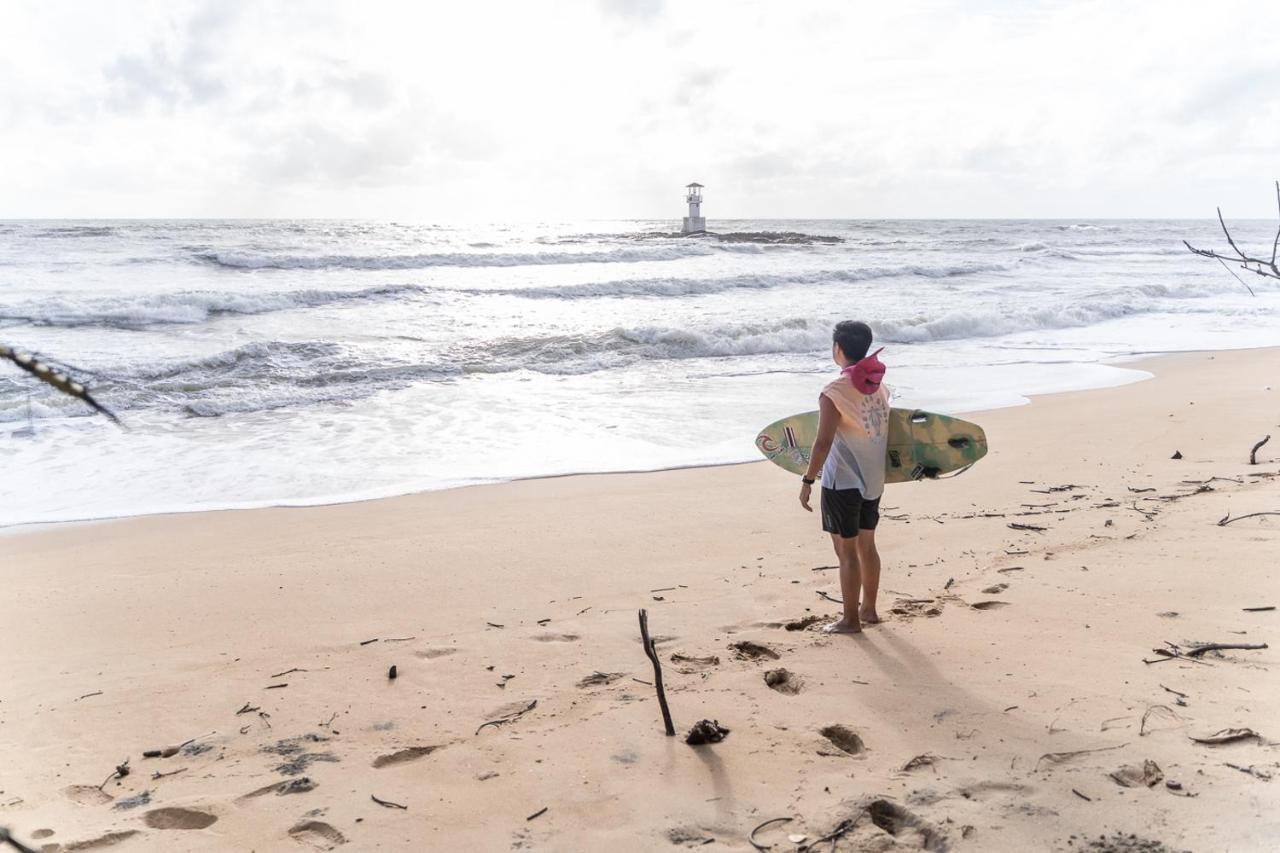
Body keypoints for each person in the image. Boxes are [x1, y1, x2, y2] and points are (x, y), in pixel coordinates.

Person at [798, 321, 890, 633]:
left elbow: (822, 442)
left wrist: (808, 481)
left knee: (846, 552)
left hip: (843, 482)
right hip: (873, 480)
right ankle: (869, 610)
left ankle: (850, 620)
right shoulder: (878, 387)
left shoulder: (833, 392)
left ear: (837, 349)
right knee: (868, 546)